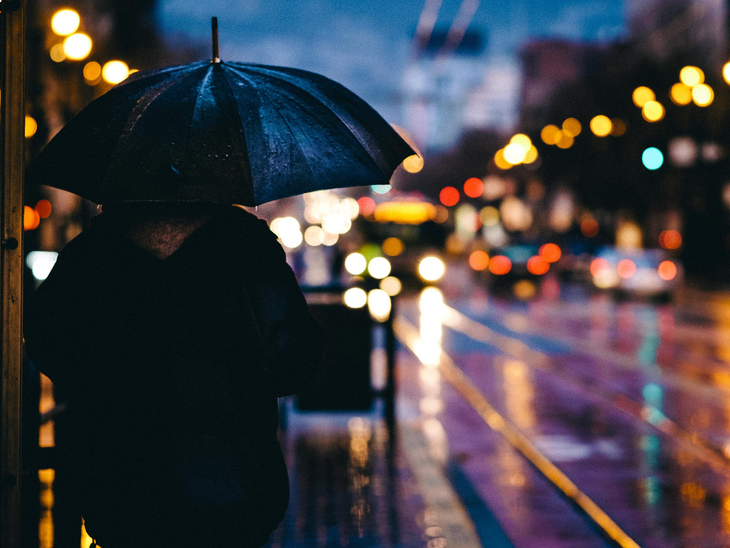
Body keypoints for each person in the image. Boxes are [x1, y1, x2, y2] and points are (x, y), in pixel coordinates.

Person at [24, 202, 325, 548]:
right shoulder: (244, 242)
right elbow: (297, 355)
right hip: (233, 477)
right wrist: (243, 382)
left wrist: (104, 387)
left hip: (123, 482)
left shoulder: (95, 248)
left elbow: (47, 337)